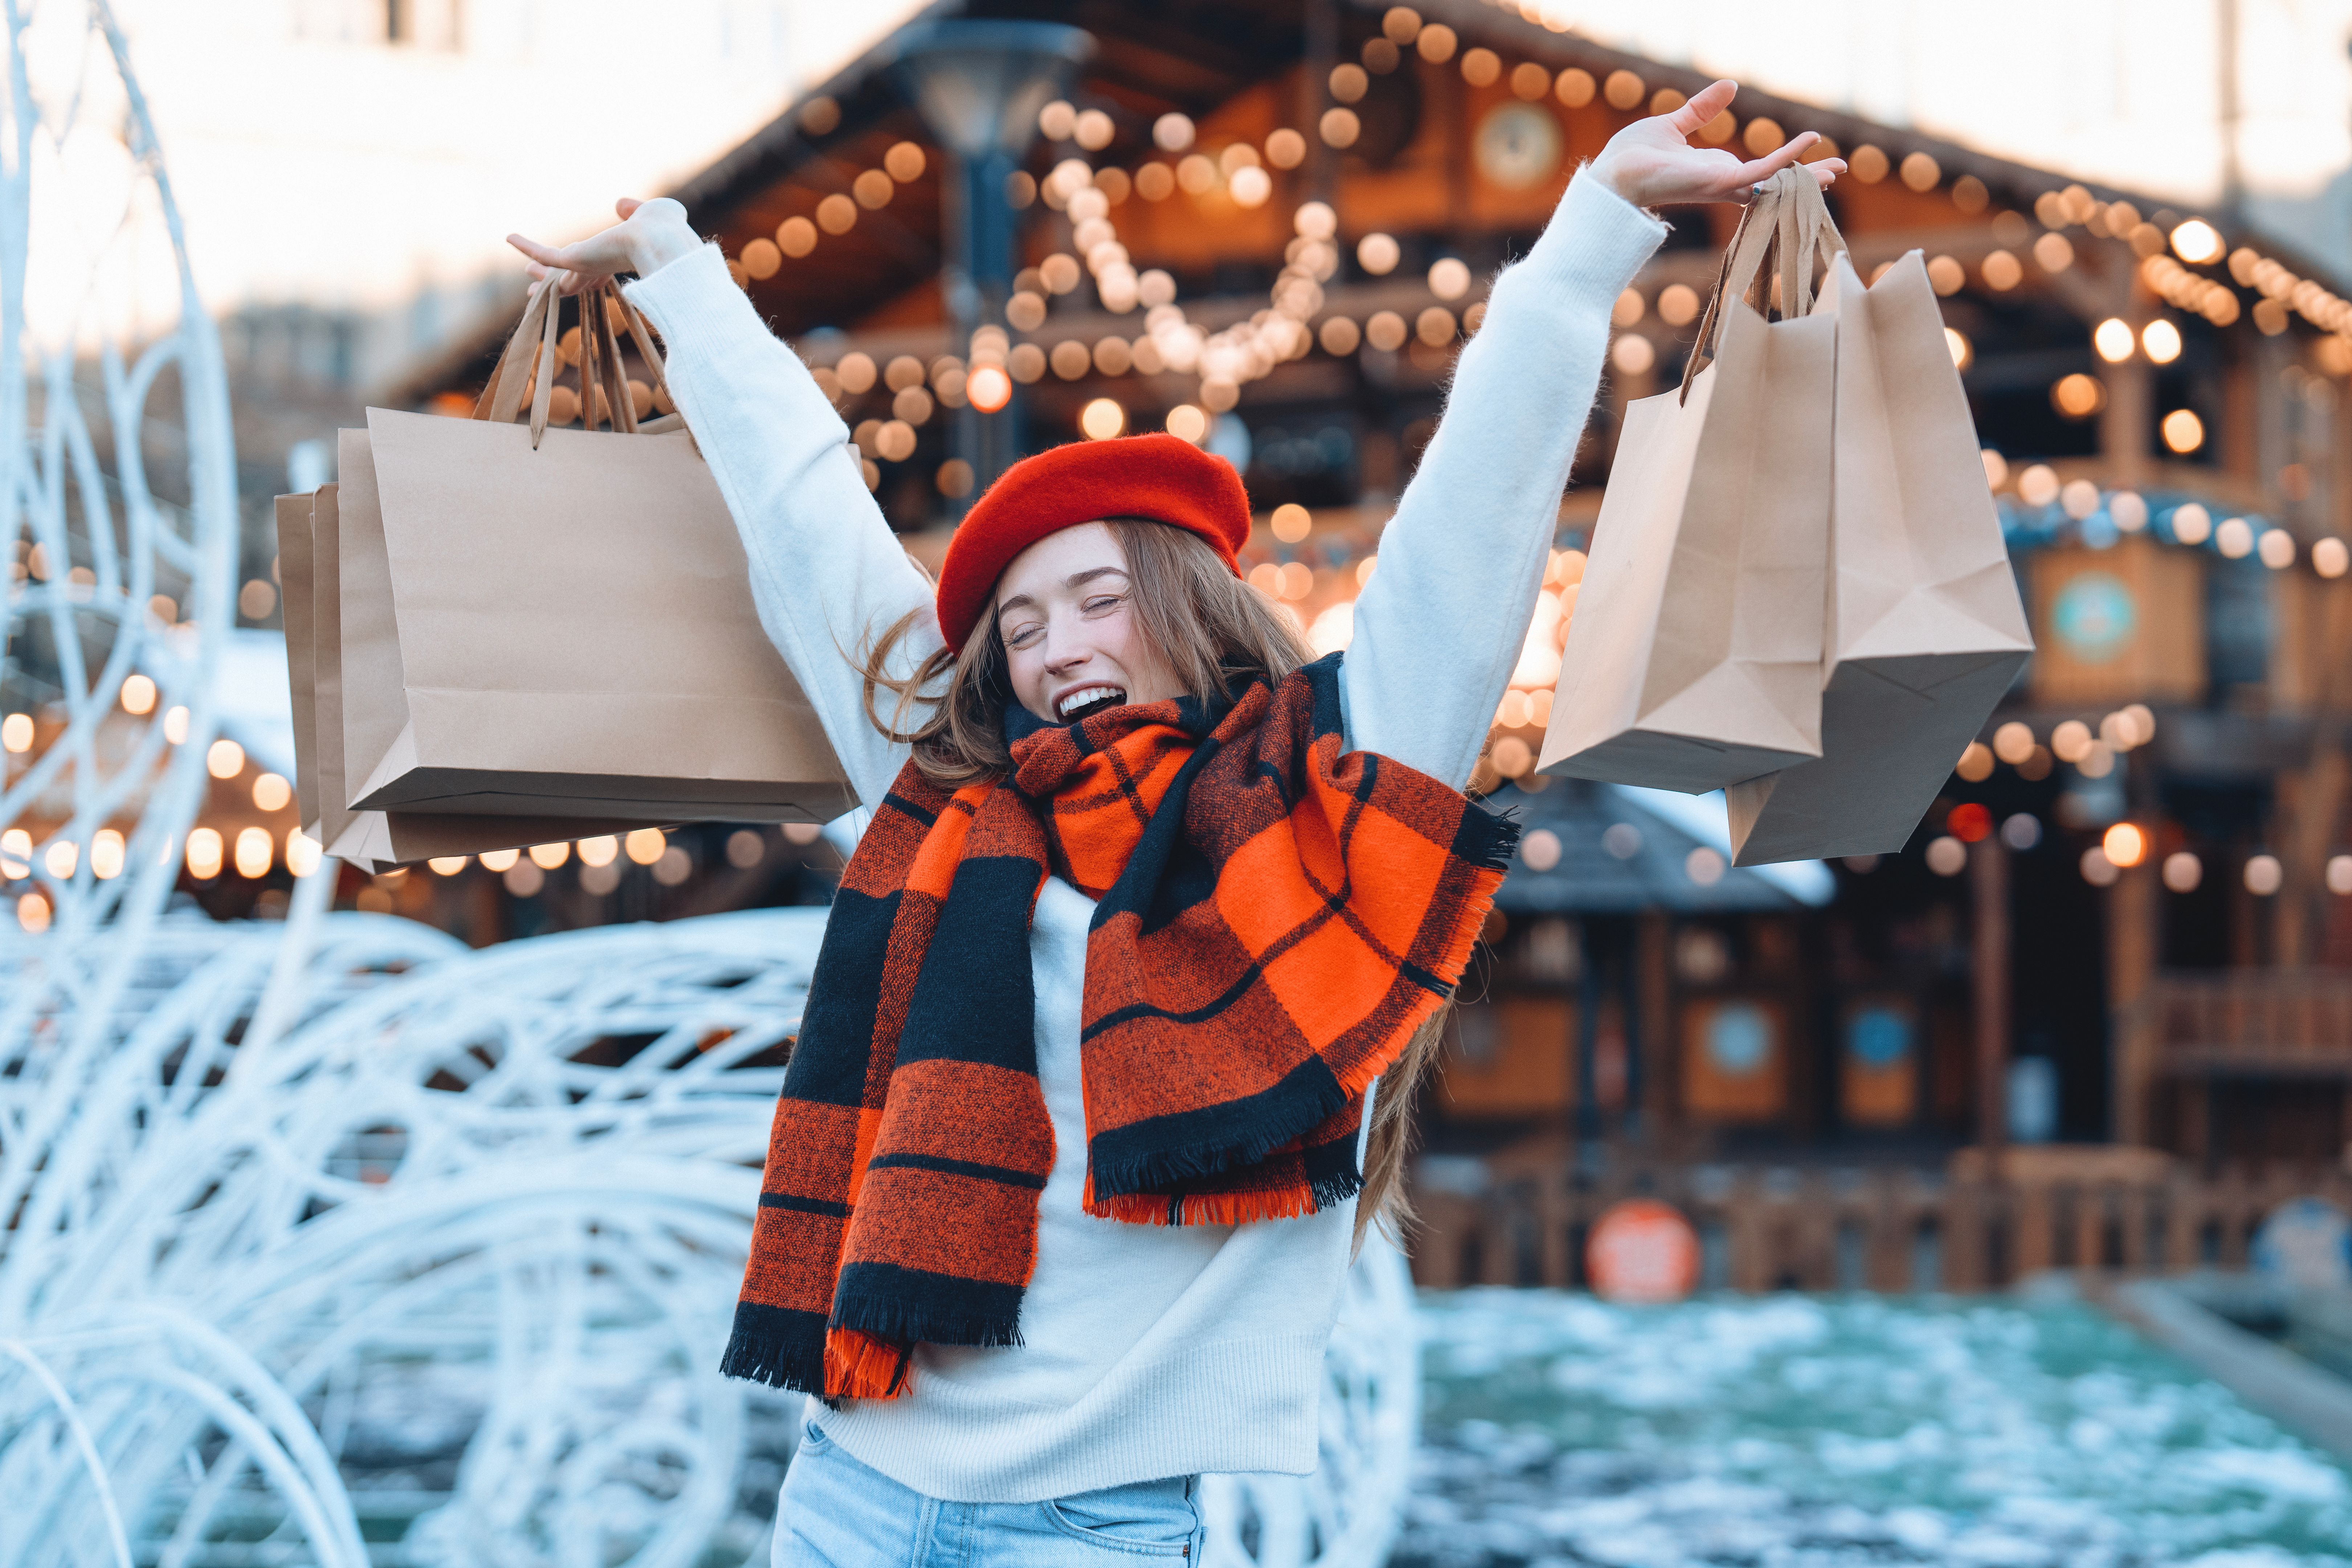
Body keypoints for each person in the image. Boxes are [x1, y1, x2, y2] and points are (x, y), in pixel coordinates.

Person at [510, 78, 1841, 1568]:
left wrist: (1594, 230)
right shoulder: (950, 803)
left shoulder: (1318, 799)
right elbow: (807, 517)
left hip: (1098, 1531)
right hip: (852, 1494)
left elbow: (1470, 529)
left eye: (1097, 597)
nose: (1061, 645)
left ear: (1185, 604)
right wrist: (677, 268)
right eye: (1020, 625)